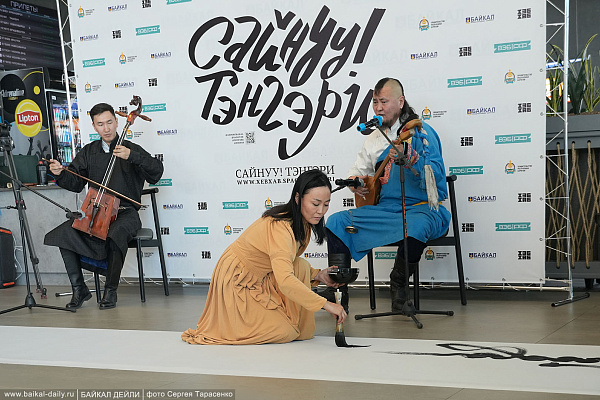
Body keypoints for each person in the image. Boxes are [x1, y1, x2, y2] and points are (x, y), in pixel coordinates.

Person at [325, 77, 450, 312]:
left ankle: (399, 286)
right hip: (385, 211)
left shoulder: (421, 133)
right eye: (375, 102)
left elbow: (436, 176)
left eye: (384, 101)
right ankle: (339, 293)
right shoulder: (374, 139)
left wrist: (411, 158)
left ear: (400, 102)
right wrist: (356, 183)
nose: (378, 108)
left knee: (416, 225)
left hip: (422, 208)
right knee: (336, 222)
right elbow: (358, 170)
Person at [182, 169, 347, 345]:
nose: (321, 211)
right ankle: (234, 324)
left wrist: (318, 275)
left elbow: (289, 262)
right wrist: (326, 304)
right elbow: (285, 280)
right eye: (315, 204)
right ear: (298, 198)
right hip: (237, 279)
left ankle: (282, 319)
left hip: (260, 276)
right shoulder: (281, 227)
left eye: (326, 204)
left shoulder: (303, 223)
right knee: (285, 332)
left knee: (300, 266)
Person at [44, 102, 164, 310]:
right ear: (94, 126)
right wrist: (60, 173)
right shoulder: (88, 152)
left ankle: (111, 290)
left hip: (125, 213)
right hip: (96, 212)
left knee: (115, 232)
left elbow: (156, 172)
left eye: (109, 122)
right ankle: (79, 289)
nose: (106, 128)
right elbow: (75, 183)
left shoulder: (131, 149)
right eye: (100, 124)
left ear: (117, 122)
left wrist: (132, 157)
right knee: (64, 233)